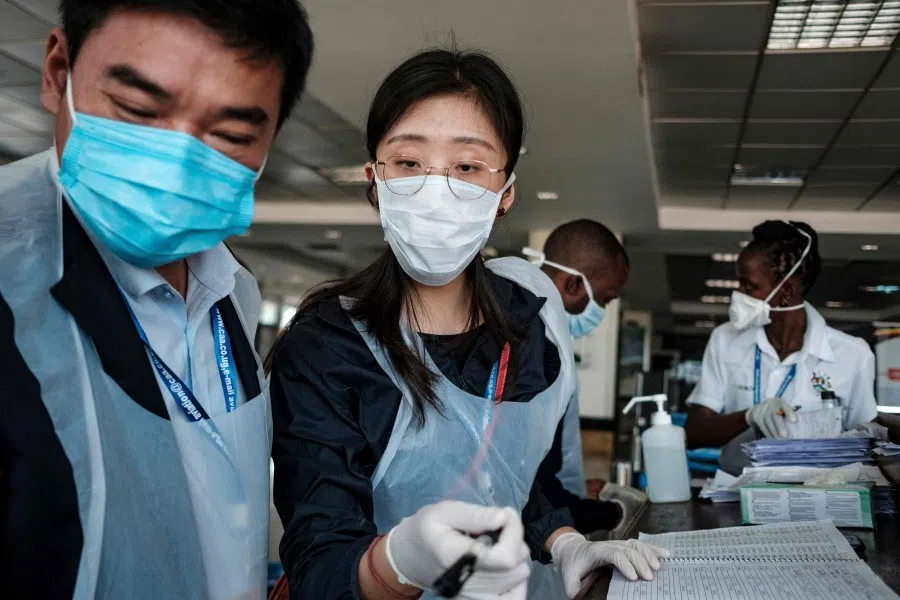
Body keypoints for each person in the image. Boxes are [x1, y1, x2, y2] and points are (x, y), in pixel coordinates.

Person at [268, 49, 667, 600]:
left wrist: (568, 540)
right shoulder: (326, 345)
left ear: (505, 194)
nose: (437, 190)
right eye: (409, 163)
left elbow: (515, 480)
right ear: (374, 181)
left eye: (467, 167)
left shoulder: (528, 322)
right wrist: (402, 562)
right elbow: (319, 558)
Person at [0, 1, 313, 597]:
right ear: (58, 72)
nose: (176, 164)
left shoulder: (233, 290)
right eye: (138, 110)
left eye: (232, 135)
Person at [685, 221, 878, 451]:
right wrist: (749, 416)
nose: (737, 293)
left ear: (786, 292)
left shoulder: (852, 354)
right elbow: (695, 433)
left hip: (817, 484)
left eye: (748, 286)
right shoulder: (725, 339)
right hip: (736, 483)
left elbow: (867, 442)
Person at [524, 220, 647, 540]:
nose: (602, 310)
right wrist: (614, 513)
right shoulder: (539, 352)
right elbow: (527, 482)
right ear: (575, 285)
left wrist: (576, 491)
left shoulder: (534, 330)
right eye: (605, 299)